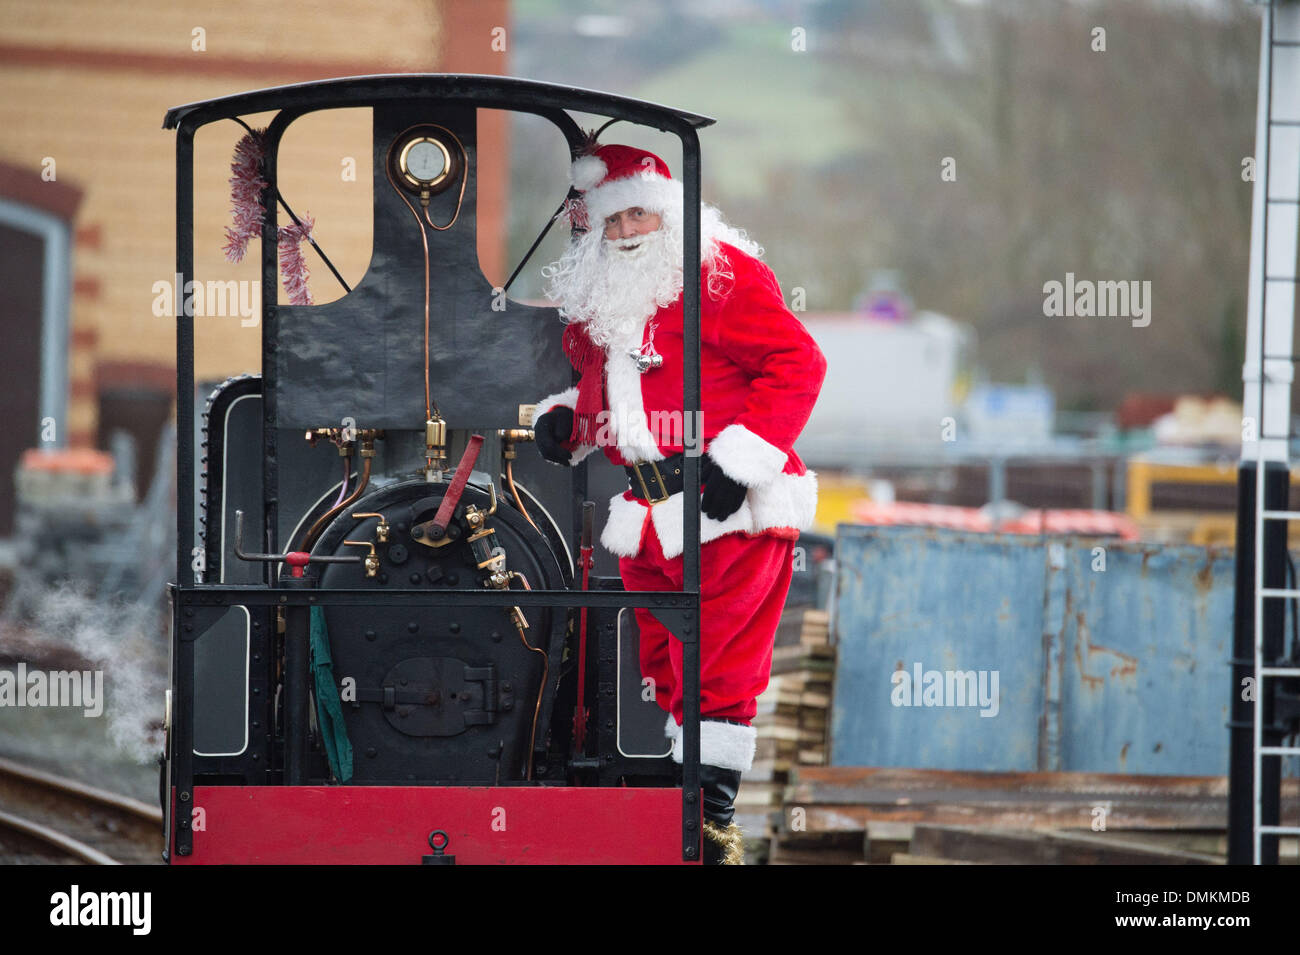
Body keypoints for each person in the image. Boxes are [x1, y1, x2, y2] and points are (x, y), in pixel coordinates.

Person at [531, 142, 826, 864]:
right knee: (668, 670)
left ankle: (710, 834)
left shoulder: (722, 277)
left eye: (640, 214)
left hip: (729, 509)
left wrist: (742, 456)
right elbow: (616, 398)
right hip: (650, 515)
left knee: (718, 676)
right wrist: (567, 419)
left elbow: (799, 363)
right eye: (615, 219)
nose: (629, 230)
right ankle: (681, 827)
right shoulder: (608, 301)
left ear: (669, 214)